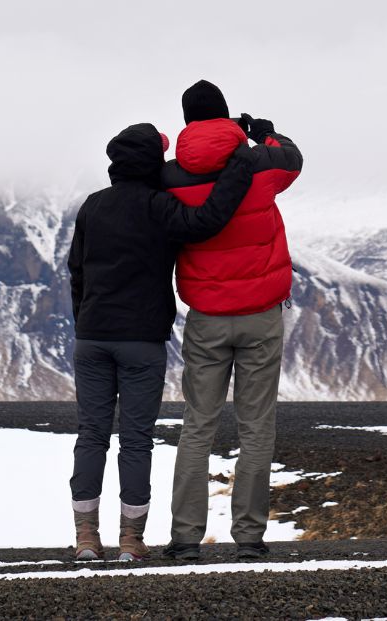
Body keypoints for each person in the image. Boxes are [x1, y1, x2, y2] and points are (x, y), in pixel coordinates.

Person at [64, 122, 270, 563]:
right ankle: (130, 541)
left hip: (92, 338)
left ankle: (85, 537)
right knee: (136, 440)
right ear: (152, 163)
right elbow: (209, 219)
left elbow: (76, 271)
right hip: (141, 341)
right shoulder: (160, 206)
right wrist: (238, 166)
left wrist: (85, 319)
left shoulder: (93, 207)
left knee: (91, 436)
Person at [161, 79, 304, 560]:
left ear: (186, 124)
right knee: (256, 427)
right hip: (262, 316)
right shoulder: (260, 164)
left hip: (206, 320)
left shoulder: (172, 177)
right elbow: (292, 157)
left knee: (197, 425)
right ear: (226, 117)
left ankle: (184, 538)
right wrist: (264, 132)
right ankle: (249, 538)